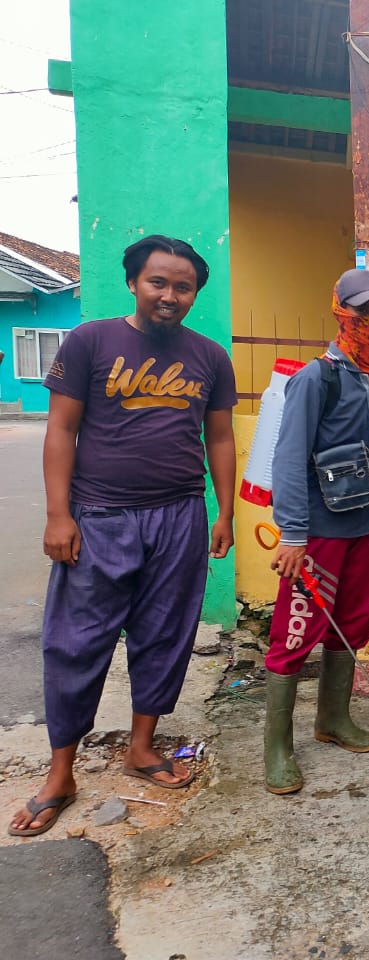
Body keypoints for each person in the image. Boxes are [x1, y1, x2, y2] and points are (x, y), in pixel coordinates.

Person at [9, 235, 236, 837]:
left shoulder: (210, 358)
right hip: (101, 516)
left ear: (194, 295)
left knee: (166, 635)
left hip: (180, 515)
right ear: (134, 283)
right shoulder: (91, 342)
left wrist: (225, 513)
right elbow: (60, 429)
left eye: (182, 287)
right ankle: (60, 772)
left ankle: (142, 747)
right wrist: (60, 516)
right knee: (74, 642)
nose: (169, 295)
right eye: (158, 282)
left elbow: (219, 438)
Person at [262, 268, 369, 796]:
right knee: (294, 631)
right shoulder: (318, 377)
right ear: (340, 311)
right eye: (364, 311)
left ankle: (331, 719)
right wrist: (292, 533)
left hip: (367, 527)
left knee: (350, 626)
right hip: (319, 534)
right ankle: (277, 747)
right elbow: (287, 459)